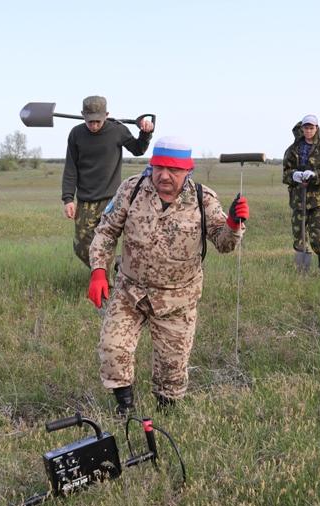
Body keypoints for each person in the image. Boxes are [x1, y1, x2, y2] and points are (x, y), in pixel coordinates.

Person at [86, 137, 249, 414]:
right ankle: (125, 409)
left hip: (177, 300)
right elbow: (106, 231)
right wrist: (98, 271)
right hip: (130, 292)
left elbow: (223, 244)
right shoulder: (132, 189)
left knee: (172, 371)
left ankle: (167, 412)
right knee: (113, 349)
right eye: (158, 167)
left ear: (188, 170)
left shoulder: (202, 199)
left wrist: (233, 224)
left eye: (173, 170)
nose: (163, 175)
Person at [62, 95, 154, 267]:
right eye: (90, 121)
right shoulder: (76, 134)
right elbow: (70, 169)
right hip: (85, 200)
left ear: (107, 114)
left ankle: (107, 285)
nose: (94, 125)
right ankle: (114, 267)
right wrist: (68, 199)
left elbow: (138, 149)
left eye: (98, 121)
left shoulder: (117, 131)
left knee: (107, 242)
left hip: (112, 200)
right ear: (83, 115)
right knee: (81, 247)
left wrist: (145, 133)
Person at [282, 114, 320, 276]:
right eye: (306, 128)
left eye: (312, 128)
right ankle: (301, 272)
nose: (309, 131)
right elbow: (285, 174)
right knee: (299, 235)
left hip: (317, 200)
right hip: (298, 199)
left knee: (318, 236)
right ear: (302, 129)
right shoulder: (292, 149)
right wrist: (294, 176)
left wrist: (315, 175)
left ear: (316, 128)